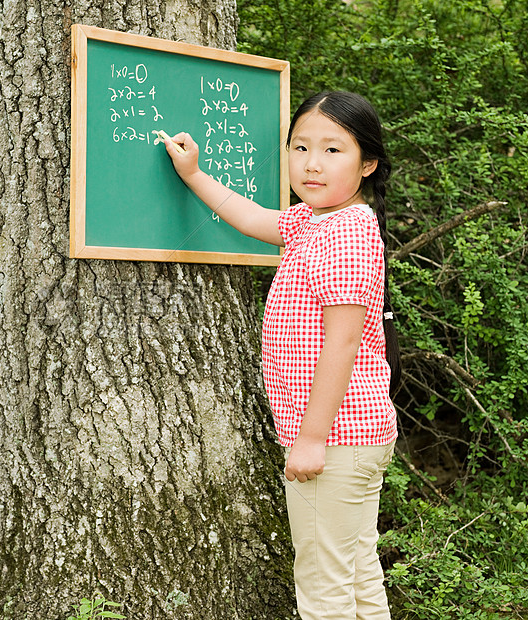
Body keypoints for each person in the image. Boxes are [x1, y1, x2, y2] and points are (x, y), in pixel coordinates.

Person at [163, 91, 401, 620]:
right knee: (357, 574)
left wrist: (312, 439)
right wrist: (194, 175)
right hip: (356, 439)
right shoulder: (314, 221)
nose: (312, 163)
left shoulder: (349, 233)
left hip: (336, 440)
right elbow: (252, 218)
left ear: (368, 163)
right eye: (300, 147)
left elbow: (343, 341)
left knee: (324, 589)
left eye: (333, 150)